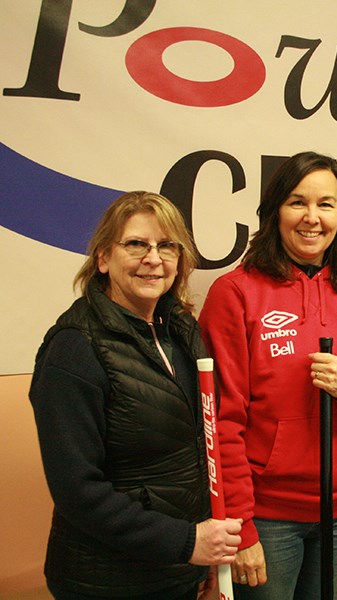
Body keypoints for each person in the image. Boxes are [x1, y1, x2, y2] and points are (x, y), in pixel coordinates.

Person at [198, 151, 337, 600]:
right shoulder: (235, 293)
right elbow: (219, 422)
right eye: (297, 202)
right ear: (275, 210)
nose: (312, 218)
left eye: (326, 204)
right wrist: (240, 525)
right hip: (267, 516)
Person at [29, 191, 243, 600]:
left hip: (176, 571)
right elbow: (78, 490)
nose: (153, 258)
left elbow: (200, 455)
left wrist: (206, 551)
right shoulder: (75, 348)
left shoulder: (182, 331)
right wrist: (187, 541)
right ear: (103, 258)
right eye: (136, 244)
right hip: (107, 581)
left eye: (167, 246)